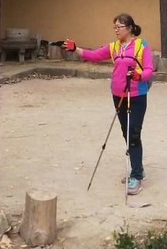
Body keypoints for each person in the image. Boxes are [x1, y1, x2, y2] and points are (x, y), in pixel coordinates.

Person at [64, 13, 153, 195]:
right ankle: (138, 168)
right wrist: (75, 49)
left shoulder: (141, 45)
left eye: (119, 27)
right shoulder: (113, 47)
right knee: (126, 132)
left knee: (133, 133)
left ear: (129, 28)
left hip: (136, 95)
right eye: (115, 27)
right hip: (118, 95)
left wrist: (139, 76)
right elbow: (93, 55)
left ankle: (136, 176)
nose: (116, 30)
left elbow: (149, 70)